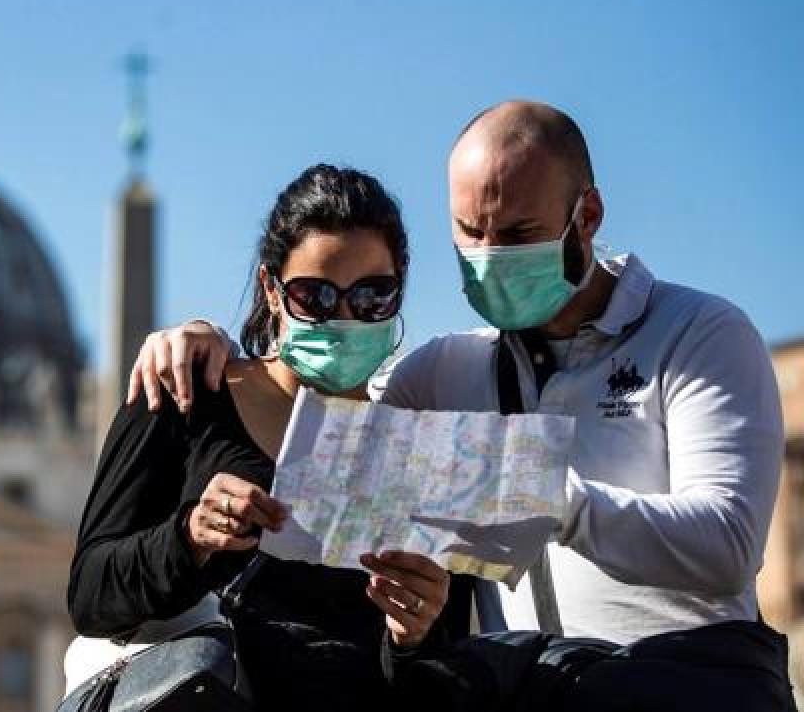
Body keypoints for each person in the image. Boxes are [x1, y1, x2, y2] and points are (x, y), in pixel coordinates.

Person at [126, 101, 794, 710]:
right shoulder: (445, 371)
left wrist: (549, 499)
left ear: (586, 216)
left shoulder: (696, 333)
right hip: (531, 690)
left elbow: (729, 545)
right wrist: (210, 345)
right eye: (471, 233)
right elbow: (329, 423)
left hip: (681, 686)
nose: (490, 256)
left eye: (518, 234)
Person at [67, 165, 470, 711]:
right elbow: (91, 594)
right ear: (272, 290)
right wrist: (190, 536)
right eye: (315, 296)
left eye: (372, 296)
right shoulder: (184, 393)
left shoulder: (421, 454)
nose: (343, 318)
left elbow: (441, 680)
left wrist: (416, 635)